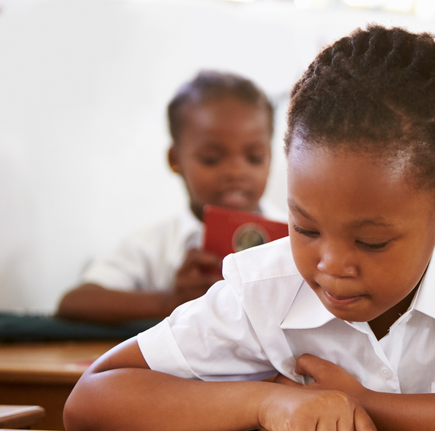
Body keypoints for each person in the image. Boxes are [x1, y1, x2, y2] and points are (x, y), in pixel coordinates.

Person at [63, 25, 435, 431]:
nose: (331, 265)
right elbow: (93, 398)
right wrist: (271, 404)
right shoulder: (268, 286)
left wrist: (362, 405)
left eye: (372, 242)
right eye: (306, 228)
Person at [56, 71, 283, 324]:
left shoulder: (297, 241)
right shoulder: (152, 245)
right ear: (175, 160)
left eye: (254, 157)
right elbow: (75, 302)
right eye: (212, 159)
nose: (236, 172)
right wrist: (172, 301)